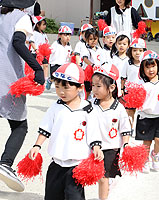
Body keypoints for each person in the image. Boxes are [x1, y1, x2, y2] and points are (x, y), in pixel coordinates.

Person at [29, 62, 103, 200]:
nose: (61, 92)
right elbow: (46, 128)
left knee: (74, 197)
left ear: (80, 87)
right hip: (56, 164)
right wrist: (37, 146)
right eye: (57, 87)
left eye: (66, 88)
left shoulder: (88, 109)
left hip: (77, 166)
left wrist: (97, 148)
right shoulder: (55, 107)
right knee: (52, 196)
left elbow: (94, 132)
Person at [0, 0, 45, 192]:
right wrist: (36, 67)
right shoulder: (22, 18)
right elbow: (18, 42)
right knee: (20, 125)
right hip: (7, 78)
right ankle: (5, 163)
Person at [91, 62, 131, 200]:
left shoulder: (119, 108)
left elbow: (125, 129)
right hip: (93, 147)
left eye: (98, 86)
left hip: (110, 148)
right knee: (96, 176)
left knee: (103, 177)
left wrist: (125, 144)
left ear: (112, 87)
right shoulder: (91, 104)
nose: (94, 90)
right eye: (93, 85)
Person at [135, 50, 159, 173]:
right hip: (145, 117)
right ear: (142, 69)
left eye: (153, 66)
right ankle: (145, 159)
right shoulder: (141, 83)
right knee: (147, 142)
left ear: (158, 66)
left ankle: (155, 154)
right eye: (147, 67)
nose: (151, 70)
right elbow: (135, 99)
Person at [121, 38, 147, 134]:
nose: (137, 53)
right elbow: (123, 78)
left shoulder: (146, 64)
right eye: (135, 50)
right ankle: (130, 129)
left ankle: (141, 130)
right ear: (130, 51)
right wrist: (122, 89)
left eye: (140, 50)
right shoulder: (128, 63)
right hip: (130, 91)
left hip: (142, 92)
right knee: (130, 112)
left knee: (143, 113)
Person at [46, 25, 73, 90]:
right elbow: (50, 51)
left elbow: (70, 53)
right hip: (55, 64)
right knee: (55, 78)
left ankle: (61, 89)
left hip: (64, 64)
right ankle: (50, 80)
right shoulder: (56, 44)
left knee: (62, 79)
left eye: (69, 35)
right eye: (65, 35)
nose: (68, 37)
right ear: (60, 35)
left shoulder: (69, 45)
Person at [111, 31, 130, 97]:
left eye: (124, 44)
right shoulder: (113, 57)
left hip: (125, 85)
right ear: (116, 44)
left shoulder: (129, 59)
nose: (121, 46)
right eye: (119, 43)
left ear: (128, 46)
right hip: (114, 83)